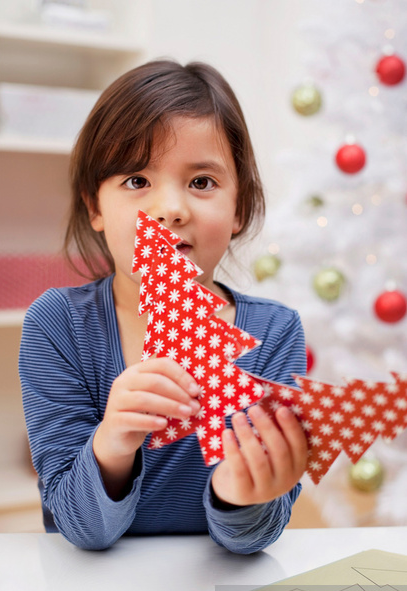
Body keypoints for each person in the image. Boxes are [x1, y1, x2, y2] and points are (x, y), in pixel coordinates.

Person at [19, 59, 308, 554]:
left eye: (201, 182)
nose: (170, 208)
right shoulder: (57, 324)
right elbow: (78, 527)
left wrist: (242, 494)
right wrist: (113, 441)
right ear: (95, 207)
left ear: (239, 208)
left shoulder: (275, 332)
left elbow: (255, 538)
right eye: (136, 180)